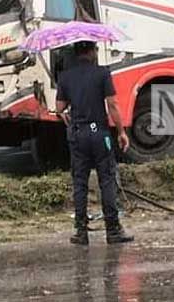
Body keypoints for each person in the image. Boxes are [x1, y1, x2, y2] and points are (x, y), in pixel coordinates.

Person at [55, 41, 133, 245]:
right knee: (106, 180)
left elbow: (60, 107)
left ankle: (81, 232)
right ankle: (113, 230)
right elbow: (112, 104)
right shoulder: (102, 73)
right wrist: (121, 132)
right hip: (100, 134)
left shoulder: (65, 76)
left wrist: (64, 112)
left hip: (78, 135)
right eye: (96, 49)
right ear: (91, 52)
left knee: (79, 183)